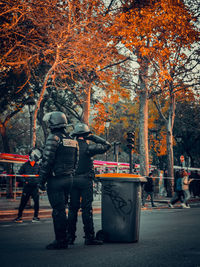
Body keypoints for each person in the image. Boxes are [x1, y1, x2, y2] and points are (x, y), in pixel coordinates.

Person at [39, 111, 79, 250]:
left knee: (58, 211)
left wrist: (41, 181)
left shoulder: (53, 138)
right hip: (69, 179)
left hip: (56, 179)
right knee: (63, 209)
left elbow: (47, 161)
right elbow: (76, 162)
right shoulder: (72, 141)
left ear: (53, 123)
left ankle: (60, 240)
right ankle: (66, 237)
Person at [68, 123, 111, 245]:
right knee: (87, 209)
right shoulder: (88, 148)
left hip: (72, 180)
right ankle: (89, 237)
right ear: (86, 135)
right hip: (86, 180)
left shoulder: (70, 147)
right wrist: (92, 137)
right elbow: (107, 145)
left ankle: (69, 236)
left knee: (72, 209)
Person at [14, 148, 42, 223]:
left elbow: (40, 175)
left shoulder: (37, 166)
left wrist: (38, 183)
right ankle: (19, 217)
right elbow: (19, 174)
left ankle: (35, 217)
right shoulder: (25, 165)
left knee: (36, 202)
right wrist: (24, 181)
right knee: (23, 202)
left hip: (35, 187)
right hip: (27, 187)